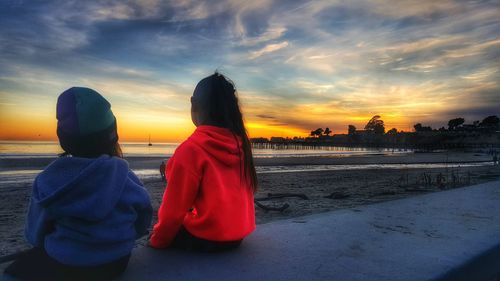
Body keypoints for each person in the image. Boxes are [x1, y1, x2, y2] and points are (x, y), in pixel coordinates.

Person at [4, 87, 152, 281]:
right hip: (116, 263)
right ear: (113, 134)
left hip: (67, 265)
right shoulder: (125, 176)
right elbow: (143, 219)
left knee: (13, 271)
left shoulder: (48, 181)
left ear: (63, 137)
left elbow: (34, 234)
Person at [149, 72, 257, 251]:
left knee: (163, 229)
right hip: (238, 237)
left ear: (193, 103)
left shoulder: (191, 150)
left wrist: (157, 241)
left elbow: (172, 212)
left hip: (206, 239)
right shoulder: (240, 144)